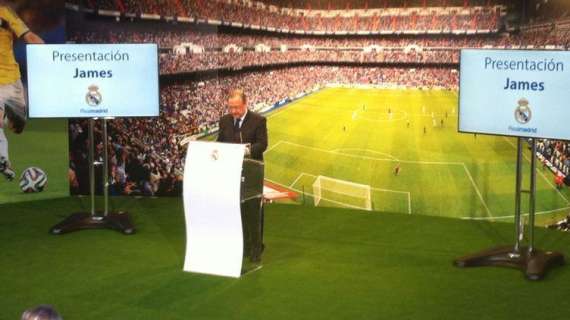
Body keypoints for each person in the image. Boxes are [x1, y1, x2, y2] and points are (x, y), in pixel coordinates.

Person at [217, 89, 267, 262]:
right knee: (238, 210)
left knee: (254, 211)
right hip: (231, 172)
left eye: (237, 107)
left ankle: (256, 248)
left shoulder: (258, 120)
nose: (234, 112)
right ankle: (243, 245)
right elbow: (220, 143)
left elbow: (262, 144)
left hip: (252, 171)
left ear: (245, 104)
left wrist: (244, 150)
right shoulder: (224, 121)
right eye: (231, 107)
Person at [0, 3, 44, 180]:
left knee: (17, 126)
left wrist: (52, 55)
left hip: (12, 79)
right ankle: (3, 160)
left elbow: (30, 37)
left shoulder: (4, 12)